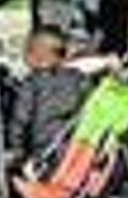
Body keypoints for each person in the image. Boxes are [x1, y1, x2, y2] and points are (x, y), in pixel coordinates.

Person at [8, 24, 92, 175]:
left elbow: (20, 121)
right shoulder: (79, 78)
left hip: (45, 153)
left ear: (34, 55)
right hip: (76, 150)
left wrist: (17, 153)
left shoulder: (32, 84)